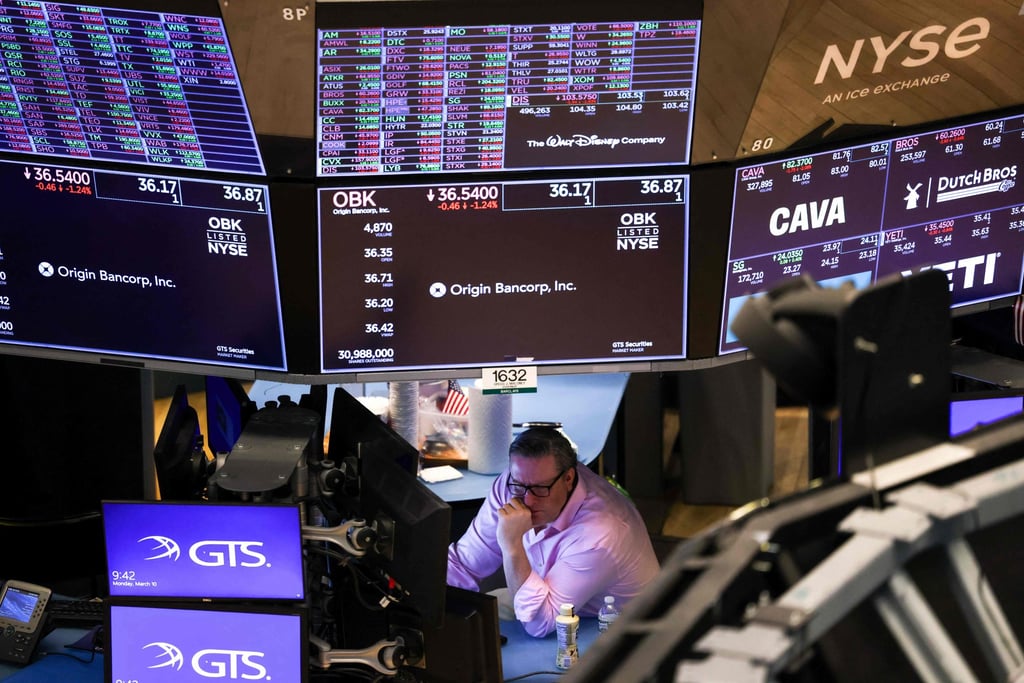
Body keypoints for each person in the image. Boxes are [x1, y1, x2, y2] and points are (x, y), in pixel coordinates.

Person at [446, 426, 660, 637]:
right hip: (547, 598)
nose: (527, 501)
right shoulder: (515, 483)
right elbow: (463, 563)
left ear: (568, 479)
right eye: (519, 486)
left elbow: (540, 624)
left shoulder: (599, 535)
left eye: (540, 489)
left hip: (612, 628)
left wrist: (512, 546)